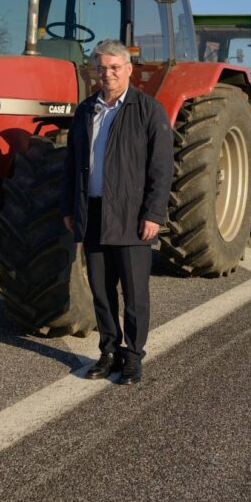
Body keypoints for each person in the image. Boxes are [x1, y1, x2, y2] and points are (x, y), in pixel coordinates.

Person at [61, 39, 173, 385]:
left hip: (131, 215)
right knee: (101, 289)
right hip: (92, 212)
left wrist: (153, 213)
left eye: (114, 67)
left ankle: (133, 356)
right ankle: (108, 350)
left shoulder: (147, 110)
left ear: (128, 69)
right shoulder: (85, 111)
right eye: (102, 68)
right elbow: (72, 163)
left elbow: (161, 167)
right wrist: (70, 207)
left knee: (135, 292)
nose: (107, 74)